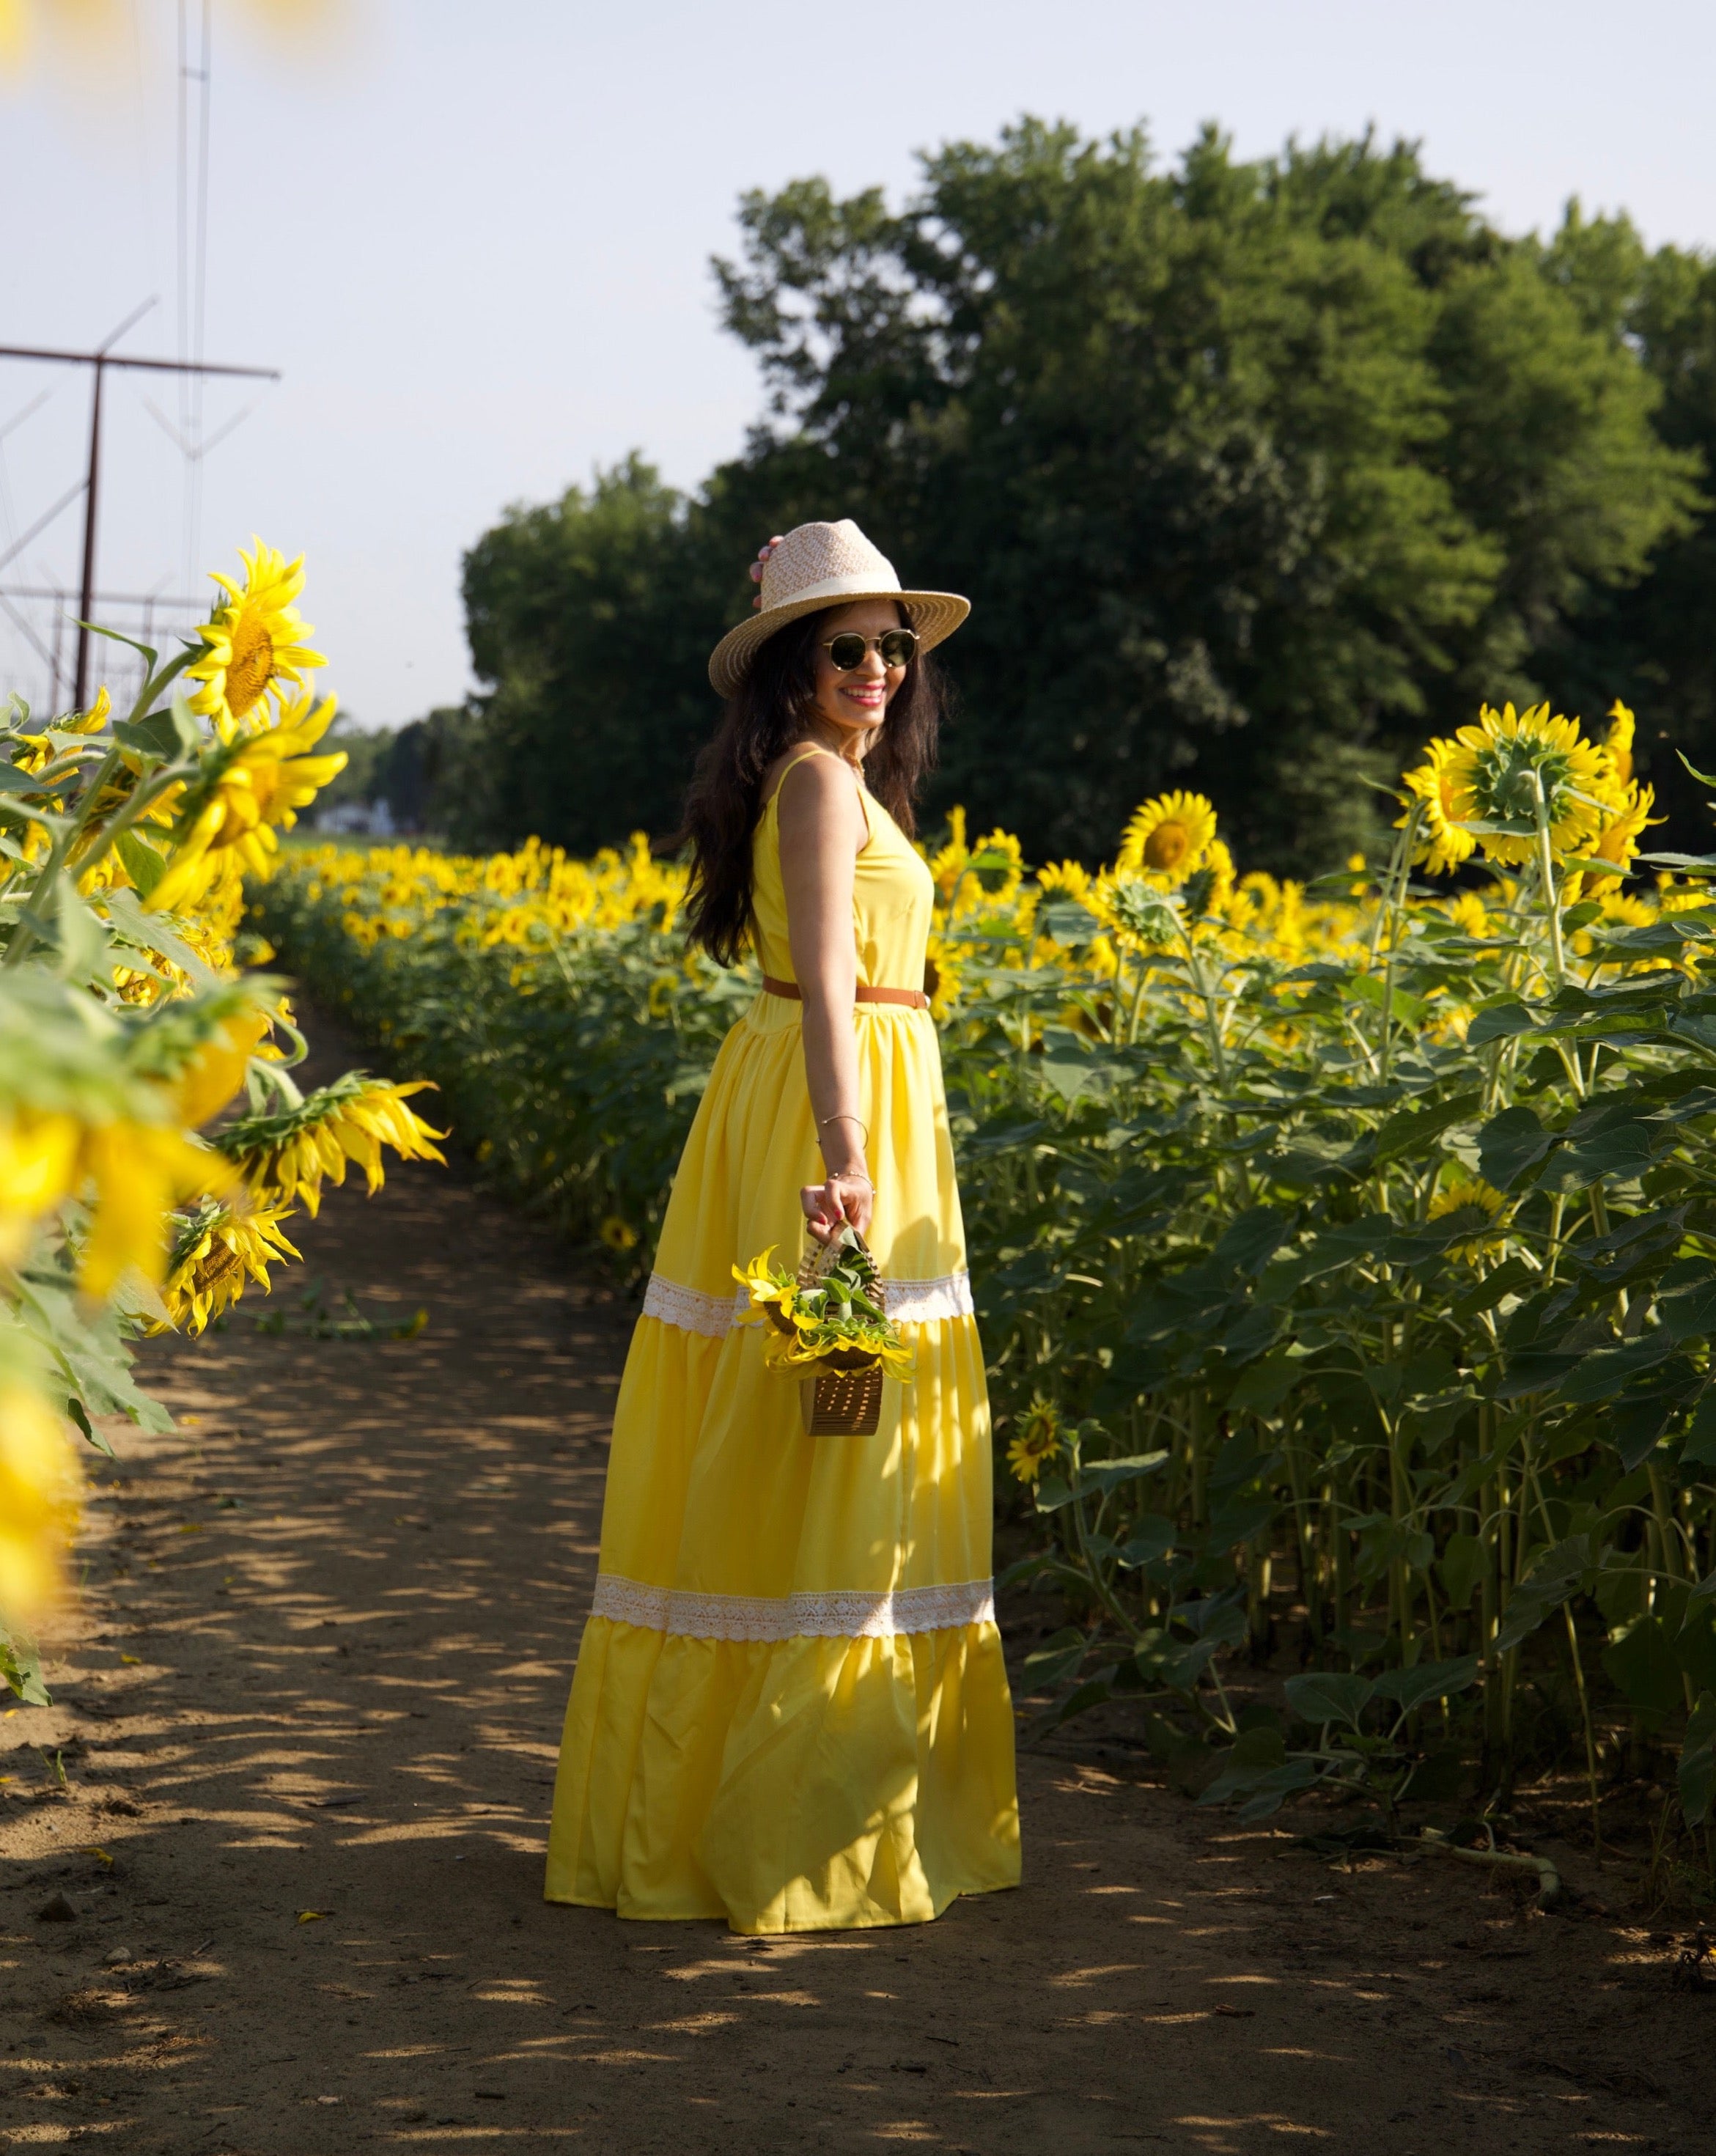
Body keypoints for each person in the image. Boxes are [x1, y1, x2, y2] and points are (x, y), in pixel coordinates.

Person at [544, 518, 1020, 1934]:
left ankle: (820, 1801)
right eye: (845, 648)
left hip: (857, 1097)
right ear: (789, 669)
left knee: (823, 1424)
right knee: (817, 1439)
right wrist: (848, 1160)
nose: (876, 668)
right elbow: (822, 982)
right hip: (830, 1117)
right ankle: (782, 1820)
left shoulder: (851, 787)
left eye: (892, 646)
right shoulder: (812, 786)